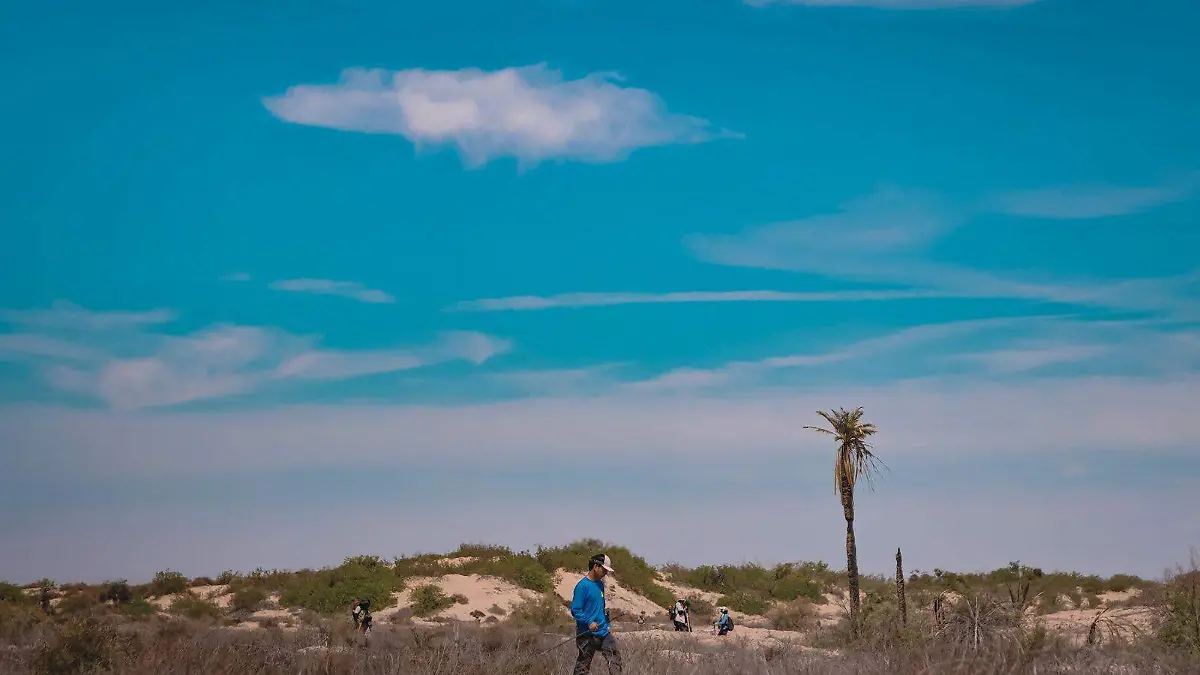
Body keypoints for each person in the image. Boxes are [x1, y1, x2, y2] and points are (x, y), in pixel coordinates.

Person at [570, 553, 622, 675]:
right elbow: (575, 610)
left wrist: (606, 622)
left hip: (603, 631)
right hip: (586, 634)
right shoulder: (582, 586)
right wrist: (588, 622)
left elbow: (600, 607)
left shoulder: (600, 584)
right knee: (583, 665)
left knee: (615, 658)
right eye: (604, 569)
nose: (606, 573)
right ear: (595, 566)